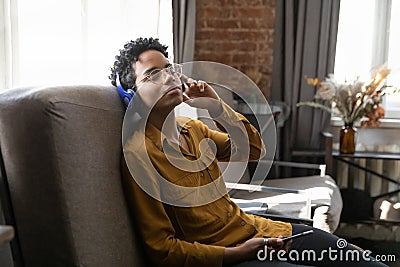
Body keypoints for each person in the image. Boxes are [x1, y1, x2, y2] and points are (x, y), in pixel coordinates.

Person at [109, 37, 388, 267]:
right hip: (230, 257)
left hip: (261, 231)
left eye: (170, 68)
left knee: (361, 261)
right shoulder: (138, 156)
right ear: (131, 96)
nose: (169, 77)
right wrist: (239, 253)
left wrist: (216, 106)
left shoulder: (192, 129)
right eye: (153, 74)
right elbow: (164, 251)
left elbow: (254, 148)